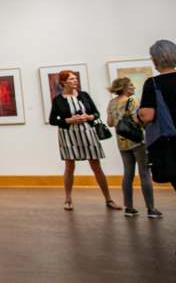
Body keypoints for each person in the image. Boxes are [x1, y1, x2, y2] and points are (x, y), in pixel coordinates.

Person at [49, 70, 121, 211]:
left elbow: (96, 113)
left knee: (96, 166)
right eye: (71, 79)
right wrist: (68, 120)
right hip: (68, 135)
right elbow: (52, 120)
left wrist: (89, 117)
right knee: (69, 167)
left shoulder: (84, 95)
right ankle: (68, 199)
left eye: (76, 78)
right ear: (63, 82)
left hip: (88, 133)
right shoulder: (58, 99)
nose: (75, 81)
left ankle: (109, 199)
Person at [105, 77, 161, 217]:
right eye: (130, 85)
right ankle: (151, 209)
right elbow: (139, 119)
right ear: (124, 87)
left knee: (128, 174)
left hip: (122, 142)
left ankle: (129, 207)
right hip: (137, 140)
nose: (133, 88)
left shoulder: (111, 102)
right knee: (144, 173)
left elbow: (110, 123)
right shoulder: (132, 101)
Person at [138, 39, 176, 192]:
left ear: (155, 59)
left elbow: (147, 116)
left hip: (171, 142)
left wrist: (138, 115)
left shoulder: (153, 83)